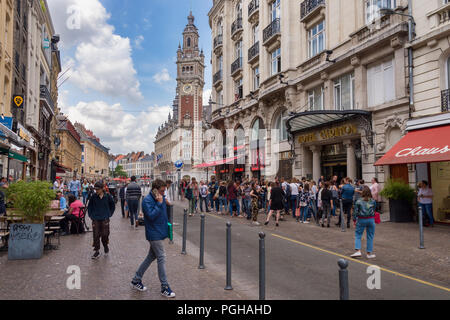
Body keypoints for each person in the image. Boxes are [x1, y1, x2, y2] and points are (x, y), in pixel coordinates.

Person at [130, 179, 176, 298]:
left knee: (151, 257)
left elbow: (163, 215)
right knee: (161, 257)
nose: (163, 192)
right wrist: (160, 203)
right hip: (153, 233)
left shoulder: (159, 198)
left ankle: (136, 279)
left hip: (160, 231)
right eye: (162, 190)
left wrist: (165, 203)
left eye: (164, 190)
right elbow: (150, 216)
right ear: (155, 190)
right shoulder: (147, 200)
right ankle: (164, 287)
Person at [87, 181, 115, 259]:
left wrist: (109, 214)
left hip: (105, 218)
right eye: (95, 189)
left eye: (98, 189)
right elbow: (90, 207)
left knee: (105, 234)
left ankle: (105, 245)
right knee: (96, 235)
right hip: (95, 218)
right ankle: (97, 251)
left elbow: (112, 205)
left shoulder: (108, 196)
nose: (96, 191)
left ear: (102, 189)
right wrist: (91, 215)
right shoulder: (93, 197)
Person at [351, 187, 377, 259]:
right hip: (371, 220)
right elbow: (374, 209)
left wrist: (354, 220)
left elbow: (355, 212)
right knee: (370, 236)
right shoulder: (373, 201)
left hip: (361, 219)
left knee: (358, 235)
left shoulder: (358, 201)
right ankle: (369, 254)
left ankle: (358, 251)